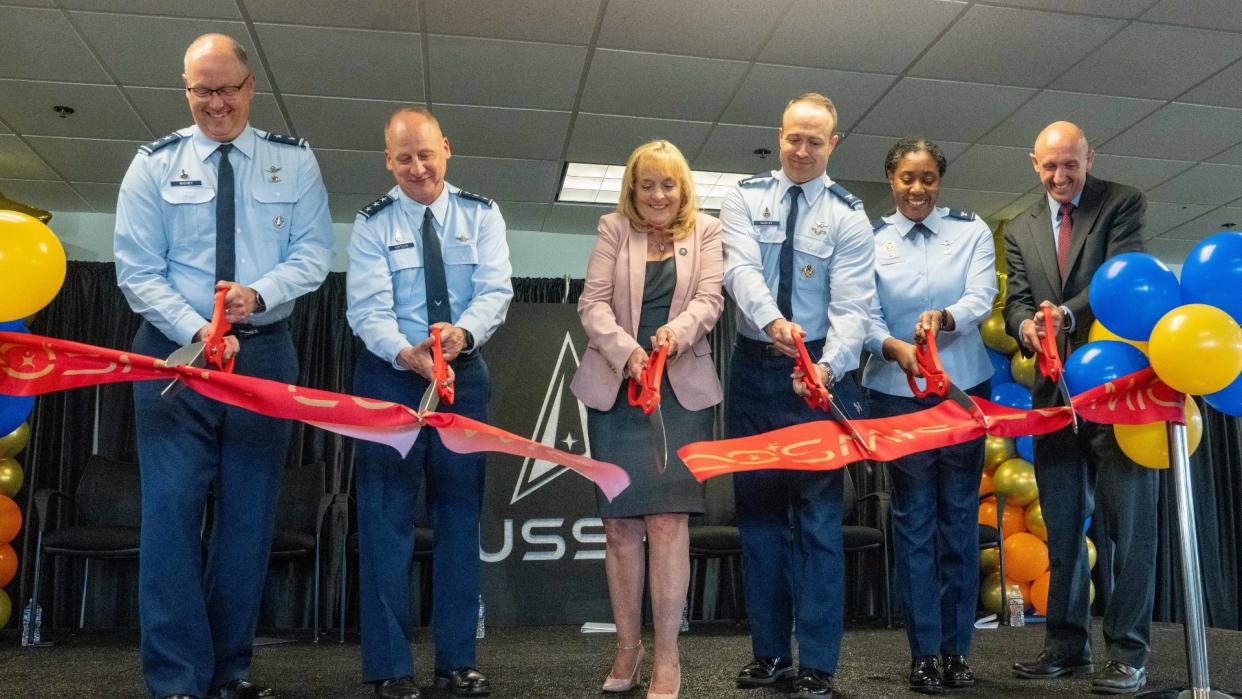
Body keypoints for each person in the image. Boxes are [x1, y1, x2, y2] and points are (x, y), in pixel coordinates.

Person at [114, 33, 334, 699]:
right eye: (201, 90)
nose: (216, 102)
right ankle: (177, 678)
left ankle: (229, 669)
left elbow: (315, 252)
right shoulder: (152, 164)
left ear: (250, 87)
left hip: (263, 350)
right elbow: (137, 272)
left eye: (227, 88)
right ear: (187, 91)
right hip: (172, 353)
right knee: (171, 514)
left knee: (249, 516)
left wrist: (257, 294)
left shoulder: (292, 162)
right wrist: (200, 327)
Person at [346, 107, 513, 699]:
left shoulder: (481, 214)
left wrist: (461, 334)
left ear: (446, 148)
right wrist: (407, 354)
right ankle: (391, 666)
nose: (417, 168)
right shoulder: (372, 223)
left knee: (460, 519)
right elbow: (366, 310)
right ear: (388, 162)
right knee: (386, 521)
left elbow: (496, 290)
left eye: (426, 154)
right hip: (391, 377)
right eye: (403, 158)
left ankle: (456, 662)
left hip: (462, 376)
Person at [720, 92, 875, 699]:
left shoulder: (848, 215)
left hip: (820, 381)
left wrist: (827, 367)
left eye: (815, 140)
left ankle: (818, 663)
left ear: (833, 144)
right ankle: (769, 656)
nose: (803, 150)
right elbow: (739, 272)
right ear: (778, 136)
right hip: (757, 370)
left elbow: (853, 305)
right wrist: (776, 324)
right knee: (758, 520)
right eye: (793, 138)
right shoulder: (743, 196)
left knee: (817, 525)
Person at [570, 140, 725, 699]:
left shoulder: (706, 231)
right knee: (618, 526)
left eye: (669, 184)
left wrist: (674, 337)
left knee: (667, 524)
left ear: (683, 188)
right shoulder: (613, 230)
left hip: (680, 395)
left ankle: (667, 658)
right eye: (647, 184)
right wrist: (628, 353)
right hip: (617, 393)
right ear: (632, 189)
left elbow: (709, 301)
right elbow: (592, 305)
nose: (658, 194)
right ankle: (626, 648)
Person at [1004, 121, 1154, 695]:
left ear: (1089, 158)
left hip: (1119, 390)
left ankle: (1128, 654)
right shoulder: (1019, 227)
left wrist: (1063, 314)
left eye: (1070, 164)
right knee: (1062, 526)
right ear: (1033, 164)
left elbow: (1121, 276)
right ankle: (1067, 647)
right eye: (1049, 166)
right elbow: (1016, 297)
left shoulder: (1122, 203)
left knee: (1128, 528)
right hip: (1053, 395)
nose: (1060, 176)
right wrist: (1025, 324)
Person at [863, 137, 996, 694]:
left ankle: (956, 651)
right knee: (914, 524)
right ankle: (923, 654)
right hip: (896, 393)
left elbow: (982, 295)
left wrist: (945, 318)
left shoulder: (971, 231)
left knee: (959, 523)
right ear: (891, 180)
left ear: (940, 181)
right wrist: (891, 344)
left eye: (928, 179)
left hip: (961, 390)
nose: (918, 189)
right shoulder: (868, 240)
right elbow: (859, 314)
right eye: (906, 178)